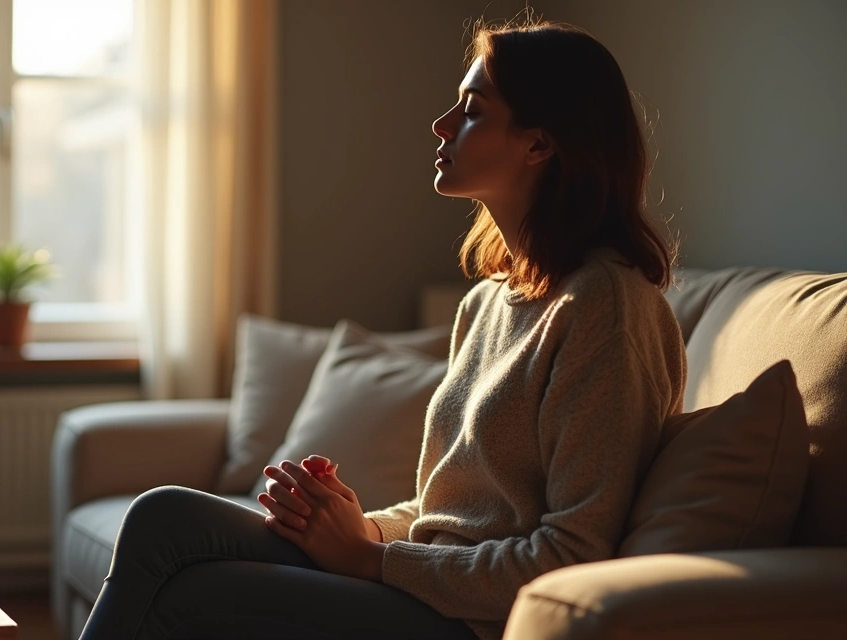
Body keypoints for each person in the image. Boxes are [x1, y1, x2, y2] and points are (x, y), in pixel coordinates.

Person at [78, 19, 686, 640]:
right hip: (424, 583)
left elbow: (570, 557)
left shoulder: (606, 308)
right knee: (163, 517)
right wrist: (356, 526)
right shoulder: (488, 303)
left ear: (539, 145)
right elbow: (444, 513)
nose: (442, 124)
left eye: (472, 110)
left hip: (477, 620)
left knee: (197, 592)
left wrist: (372, 559)